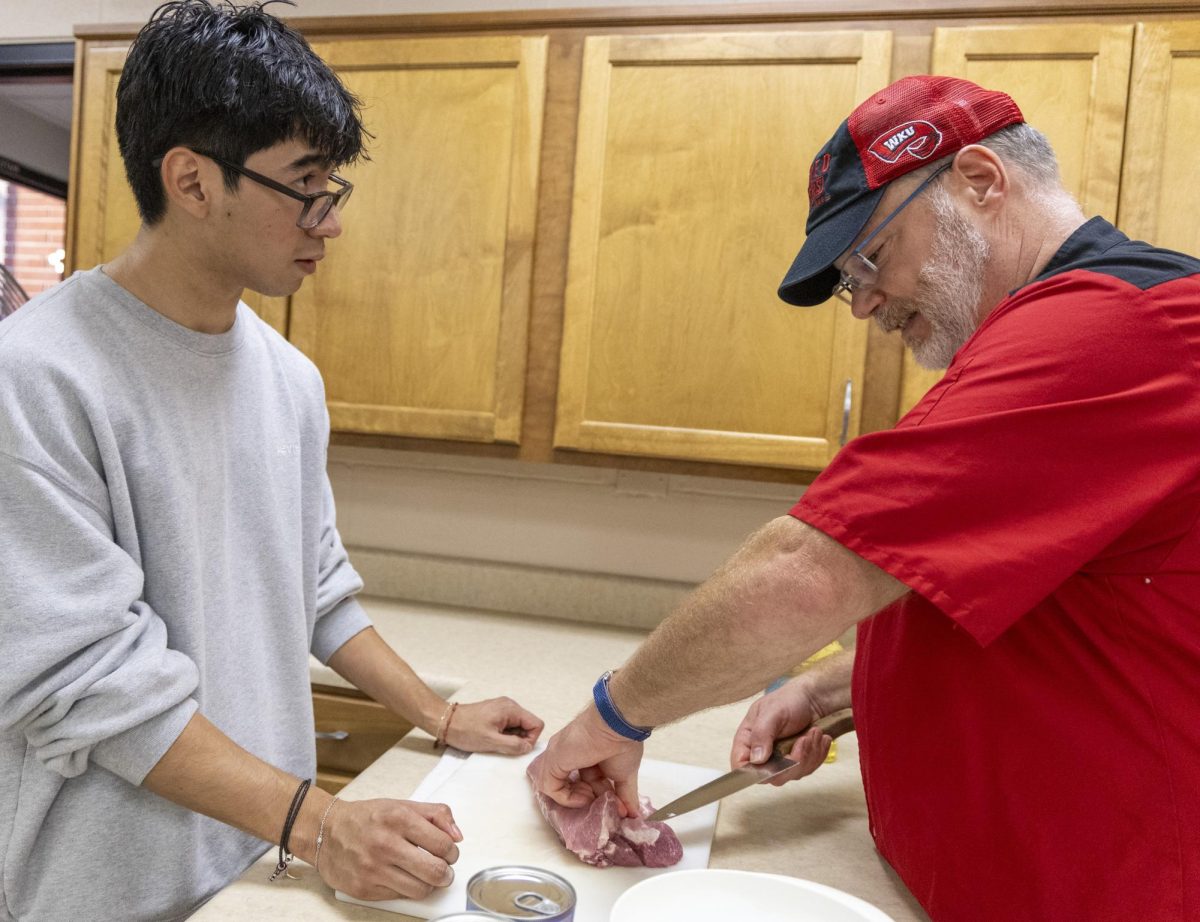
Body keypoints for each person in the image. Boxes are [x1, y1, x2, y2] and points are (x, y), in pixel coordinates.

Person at [530, 74, 1200, 921]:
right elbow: (1054, 609)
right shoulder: (1062, 333)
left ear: (982, 181)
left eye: (872, 259)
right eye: (854, 279)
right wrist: (839, 688)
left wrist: (610, 720)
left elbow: (807, 573)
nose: (866, 304)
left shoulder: (1112, 333)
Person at [0, 3, 544, 920]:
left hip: (261, 863)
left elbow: (316, 588)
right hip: (107, 888)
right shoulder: (38, 376)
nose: (328, 220)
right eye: (305, 185)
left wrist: (438, 717)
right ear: (192, 180)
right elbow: (84, 682)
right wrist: (325, 823)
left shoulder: (288, 379)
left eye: (334, 188)